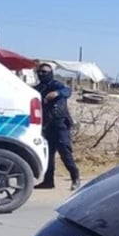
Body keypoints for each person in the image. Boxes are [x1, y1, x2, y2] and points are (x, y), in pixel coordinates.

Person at [35, 62, 81, 190]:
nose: (41, 74)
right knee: (48, 155)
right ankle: (48, 181)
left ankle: (75, 178)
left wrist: (57, 93)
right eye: (40, 72)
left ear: (50, 74)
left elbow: (67, 91)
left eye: (44, 72)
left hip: (60, 124)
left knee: (65, 152)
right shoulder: (38, 88)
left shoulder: (56, 85)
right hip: (46, 126)